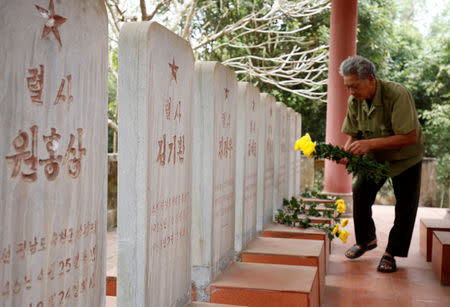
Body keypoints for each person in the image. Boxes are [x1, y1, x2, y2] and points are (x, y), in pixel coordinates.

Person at [339, 55, 424, 273]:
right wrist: (348, 151)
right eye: (348, 87)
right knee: (360, 190)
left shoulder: (397, 94)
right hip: (376, 157)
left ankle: (391, 253)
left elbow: (409, 137)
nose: (351, 92)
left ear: (370, 79)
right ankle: (366, 240)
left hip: (406, 158)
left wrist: (368, 144)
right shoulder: (354, 101)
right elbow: (354, 135)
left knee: (405, 206)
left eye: (355, 86)